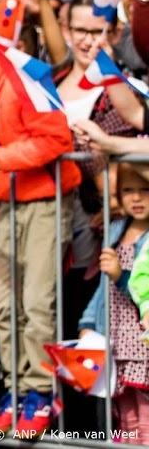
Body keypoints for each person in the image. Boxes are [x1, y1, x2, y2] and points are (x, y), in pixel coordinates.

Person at [0, 0, 81, 436]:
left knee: (37, 303)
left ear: (3, 60)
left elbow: (56, 138)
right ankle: (15, 390)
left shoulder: (27, 83)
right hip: (6, 203)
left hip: (45, 203)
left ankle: (42, 392)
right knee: (5, 304)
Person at [80, 163, 149, 443]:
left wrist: (122, 275)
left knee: (145, 419)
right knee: (124, 420)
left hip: (143, 346)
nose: (137, 198)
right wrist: (87, 323)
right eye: (128, 190)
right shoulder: (116, 229)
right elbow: (102, 286)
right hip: (117, 343)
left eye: (145, 190)